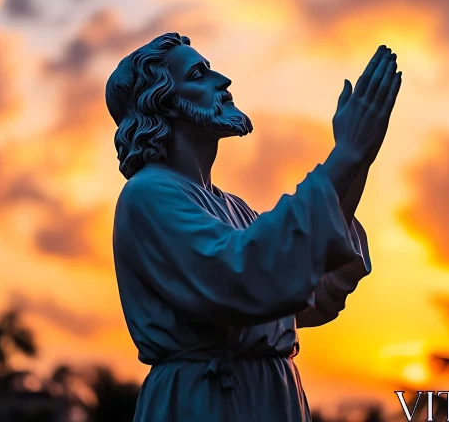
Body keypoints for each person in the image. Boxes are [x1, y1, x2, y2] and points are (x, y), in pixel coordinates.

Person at [107, 33, 402, 421]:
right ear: (163, 101)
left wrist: (358, 161)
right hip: (206, 403)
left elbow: (306, 285)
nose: (223, 81)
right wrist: (346, 155)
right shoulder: (147, 195)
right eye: (199, 74)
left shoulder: (231, 207)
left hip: (272, 396)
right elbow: (242, 277)